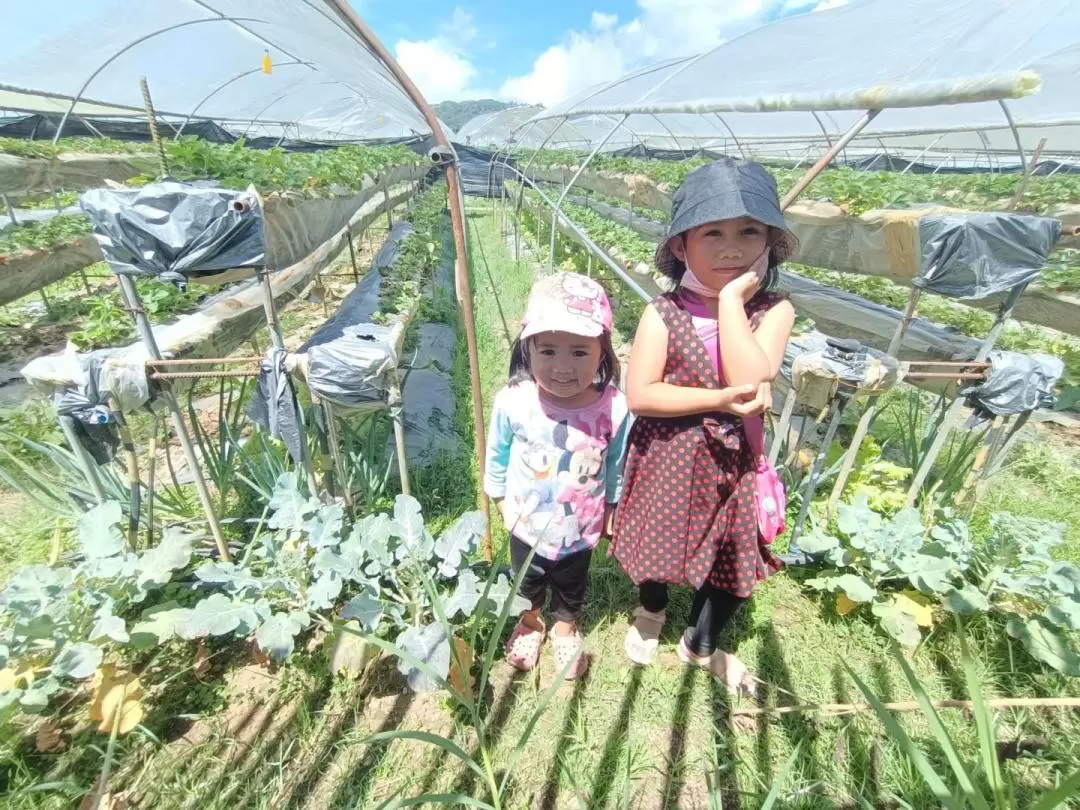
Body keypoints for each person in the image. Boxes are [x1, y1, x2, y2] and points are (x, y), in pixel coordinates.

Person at [610, 159, 797, 694]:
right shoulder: (663, 312)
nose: (730, 247)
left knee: (732, 560)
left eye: (748, 232)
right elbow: (642, 395)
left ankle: (701, 642)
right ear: (680, 247)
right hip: (667, 451)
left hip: (735, 462)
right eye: (711, 232)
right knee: (656, 542)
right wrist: (718, 399)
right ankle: (651, 610)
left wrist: (733, 303)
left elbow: (752, 375)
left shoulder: (773, 310)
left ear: (769, 244)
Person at [484, 272, 631, 680]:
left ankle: (566, 627)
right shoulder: (514, 403)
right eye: (547, 350)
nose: (562, 367)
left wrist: (611, 509)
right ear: (526, 348)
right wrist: (502, 505)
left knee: (571, 584)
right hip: (525, 525)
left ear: (603, 353)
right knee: (525, 581)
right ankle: (530, 623)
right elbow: (496, 457)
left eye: (580, 352)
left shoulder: (615, 408)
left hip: (580, 526)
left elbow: (616, 463)